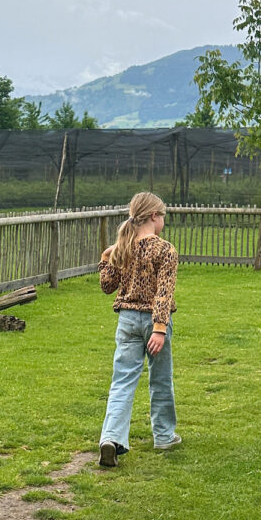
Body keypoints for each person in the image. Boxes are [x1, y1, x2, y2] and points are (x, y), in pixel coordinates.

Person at [97, 191, 180, 468]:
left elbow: (107, 286)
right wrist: (159, 328)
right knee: (160, 380)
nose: (163, 222)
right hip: (155, 322)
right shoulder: (165, 249)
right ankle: (164, 436)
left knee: (122, 381)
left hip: (127, 322)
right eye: (163, 216)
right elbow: (164, 293)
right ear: (154, 216)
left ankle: (111, 438)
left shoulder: (124, 247)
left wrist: (106, 257)